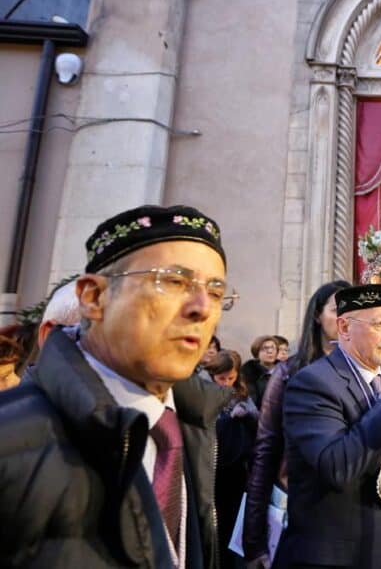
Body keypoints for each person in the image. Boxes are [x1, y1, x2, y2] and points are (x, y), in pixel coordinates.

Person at [0, 204, 233, 567]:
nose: (202, 308)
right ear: (93, 297)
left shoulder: (194, 428)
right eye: (173, 281)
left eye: (216, 292)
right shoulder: (11, 441)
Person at [276, 284, 381, 569]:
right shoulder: (312, 383)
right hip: (335, 558)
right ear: (344, 328)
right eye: (380, 324)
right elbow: (337, 466)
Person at [244, 278, 350, 567]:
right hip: (298, 505)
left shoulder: (368, 374)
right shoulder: (289, 373)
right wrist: (252, 541)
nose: (345, 318)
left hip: (351, 512)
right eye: (337, 309)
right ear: (317, 315)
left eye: (352, 310)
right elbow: (266, 451)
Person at [208, 349, 259, 567]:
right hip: (212, 467)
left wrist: (246, 414)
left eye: (231, 378)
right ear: (212, 375)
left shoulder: (242, 395)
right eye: (222, 378)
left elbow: (259, 421)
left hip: (237, 467)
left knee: (232, 520)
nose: (227, 383)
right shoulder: (205, 393)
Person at [242, 335, 280, 409]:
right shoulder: (248, 373)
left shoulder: (285, 371)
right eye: (265, 348)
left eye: (273, 347)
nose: (270, 351)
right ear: (256, 351)